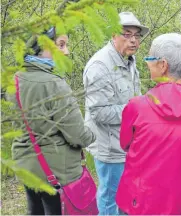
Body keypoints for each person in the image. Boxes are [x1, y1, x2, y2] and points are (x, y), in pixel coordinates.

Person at [115, 33, 181, 215]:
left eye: (150, 58)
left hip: (136, 202)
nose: (146, 63)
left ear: (163, 65)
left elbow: (125, 144)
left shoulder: (136, 106)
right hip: (175, 202)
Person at [10, 27, 96, 215]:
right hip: (57, 171)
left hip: (27, 166)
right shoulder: (54, 84)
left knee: (35, 211)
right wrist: (92, 132)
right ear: (39, 48)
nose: (66, 51)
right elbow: (78, 136)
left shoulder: (15, 79)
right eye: (60, 45)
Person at [83, 12, 149, 215]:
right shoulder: (100, 66)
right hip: (110, 148)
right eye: (127, 34)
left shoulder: (130, 61)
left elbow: (132, 97)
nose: (133, 40)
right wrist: (136, 110)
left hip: (127, 145)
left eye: (137, 35)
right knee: (110, 197)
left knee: (125, 196)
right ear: (113, 34)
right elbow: (99, 112)